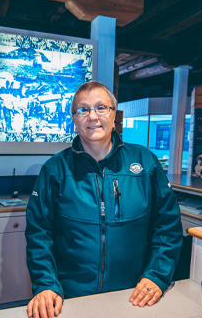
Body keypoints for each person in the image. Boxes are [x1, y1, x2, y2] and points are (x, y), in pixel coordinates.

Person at [25, 82, 183, 318]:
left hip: (135, 298)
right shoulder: (55, 170)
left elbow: (167, 226)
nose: (92, 116)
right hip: (70, 299)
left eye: (101, 108)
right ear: (74, 119)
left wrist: (157, 275)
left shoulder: (146, 162)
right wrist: (46, 284)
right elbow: (39, 233)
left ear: (113, 115)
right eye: (83, 109)